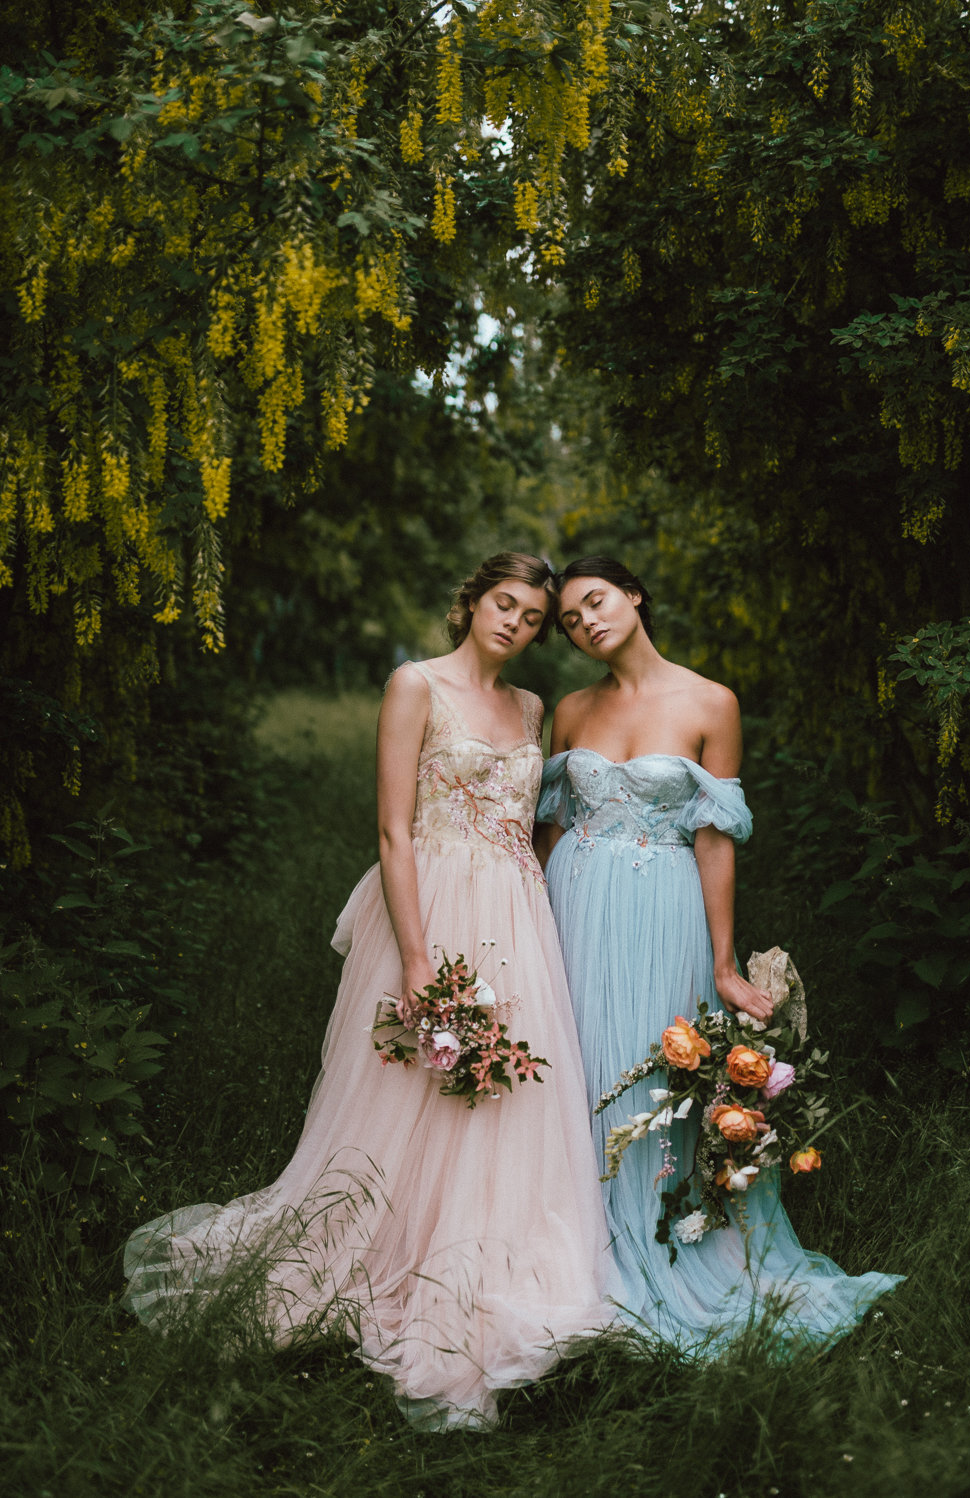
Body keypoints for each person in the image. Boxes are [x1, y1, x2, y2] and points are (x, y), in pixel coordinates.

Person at [122, 553, 620, 1430]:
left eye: (534, 618)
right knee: (407, 1088)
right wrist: (421, 960)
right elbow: (394, 830)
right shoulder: (414, 685)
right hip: (431, 904)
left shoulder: (534, 709)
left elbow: (525, 828)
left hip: (516, 911)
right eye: (504, 604)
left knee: (510, 1088)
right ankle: (385, 1243)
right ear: (471, 601)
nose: (515, 624)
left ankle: (489, 1247)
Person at [535, 555, 903, 1350]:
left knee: (650, 1065)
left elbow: (714, 839)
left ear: (633, 594)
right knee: (574, 1064)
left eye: (595, 602)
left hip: (663, 905)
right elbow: (549, 830)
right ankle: (563, 1237)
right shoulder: (568, 710)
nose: (587, 623)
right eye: (569, 619)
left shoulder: (712, 702)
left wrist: (726, 964)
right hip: (571, 903)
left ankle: (661, 1232)